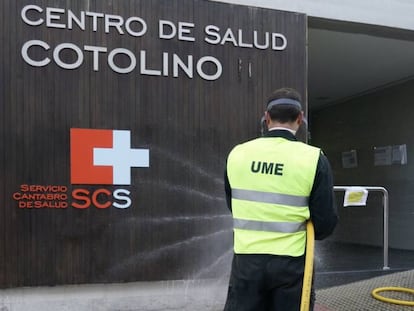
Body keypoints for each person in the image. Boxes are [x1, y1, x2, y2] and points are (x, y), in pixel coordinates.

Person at [223, 87, 338, 311]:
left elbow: (233, 205)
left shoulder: (237, 154)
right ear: (300, 118)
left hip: (247, 262)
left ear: (266, 118)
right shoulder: (314, 158)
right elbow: (324, 223)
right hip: (292, 265)